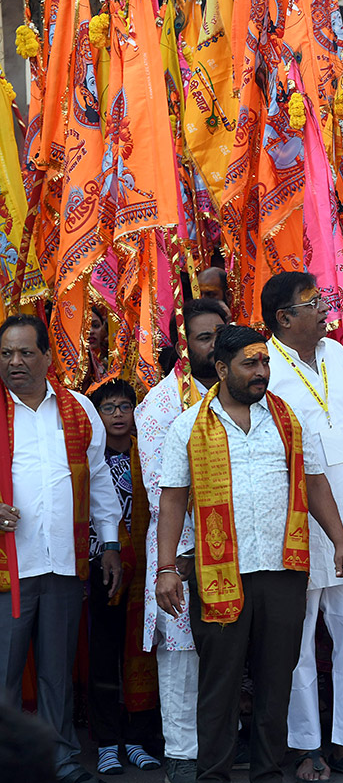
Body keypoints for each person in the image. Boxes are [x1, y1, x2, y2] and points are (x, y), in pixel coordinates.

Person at [155, 325, 343, 783]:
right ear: (222, 368)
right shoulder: (189, 425)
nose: (261, 372)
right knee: (220, 687)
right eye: (251, 364)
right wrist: (166, 568)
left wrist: (341, 542)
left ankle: (269, 774)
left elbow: (314, 482)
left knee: (276, 685)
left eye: (265, 362)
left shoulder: (287, 419)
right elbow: (172, 498)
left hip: (282, 571)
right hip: (217, 572)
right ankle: (212, 776)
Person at [260, 273, 343, 781]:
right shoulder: (265, 366)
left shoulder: (336, 354)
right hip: (298, 521)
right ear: (284, 319)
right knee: (297, 641)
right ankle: (305, 746)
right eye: (312, 303)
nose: (324, 309)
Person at [0, 314, 123, 783]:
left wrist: (110, 543)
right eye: (7, 353)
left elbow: (99, 486)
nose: (15, 362)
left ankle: (62, 763)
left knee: (57, 674)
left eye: (26, 352)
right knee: (4, 677)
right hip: (9, 568)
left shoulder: (77, 409)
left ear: (48, 357)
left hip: (64, 565)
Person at [135, 297, 229, 783]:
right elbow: (158, 490)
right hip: (184, 546)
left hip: (231, 549)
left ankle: (216, 751)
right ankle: (182, 755)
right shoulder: (160, 405)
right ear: (182, 345)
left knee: (224, 652)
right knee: (181, 655)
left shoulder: (239, 394)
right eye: (203, 338)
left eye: (220, 335)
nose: (214, 346)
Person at [88, 379, 160, 776]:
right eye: (109, 408)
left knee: (144, 653)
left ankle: (137, 739)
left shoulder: (145, 454)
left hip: (146, 570)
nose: (118, 415)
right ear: (97, 415)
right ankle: (106, 742)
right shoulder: (92, 456)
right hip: (103, 568)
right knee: (104, 654)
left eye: (125, 406)